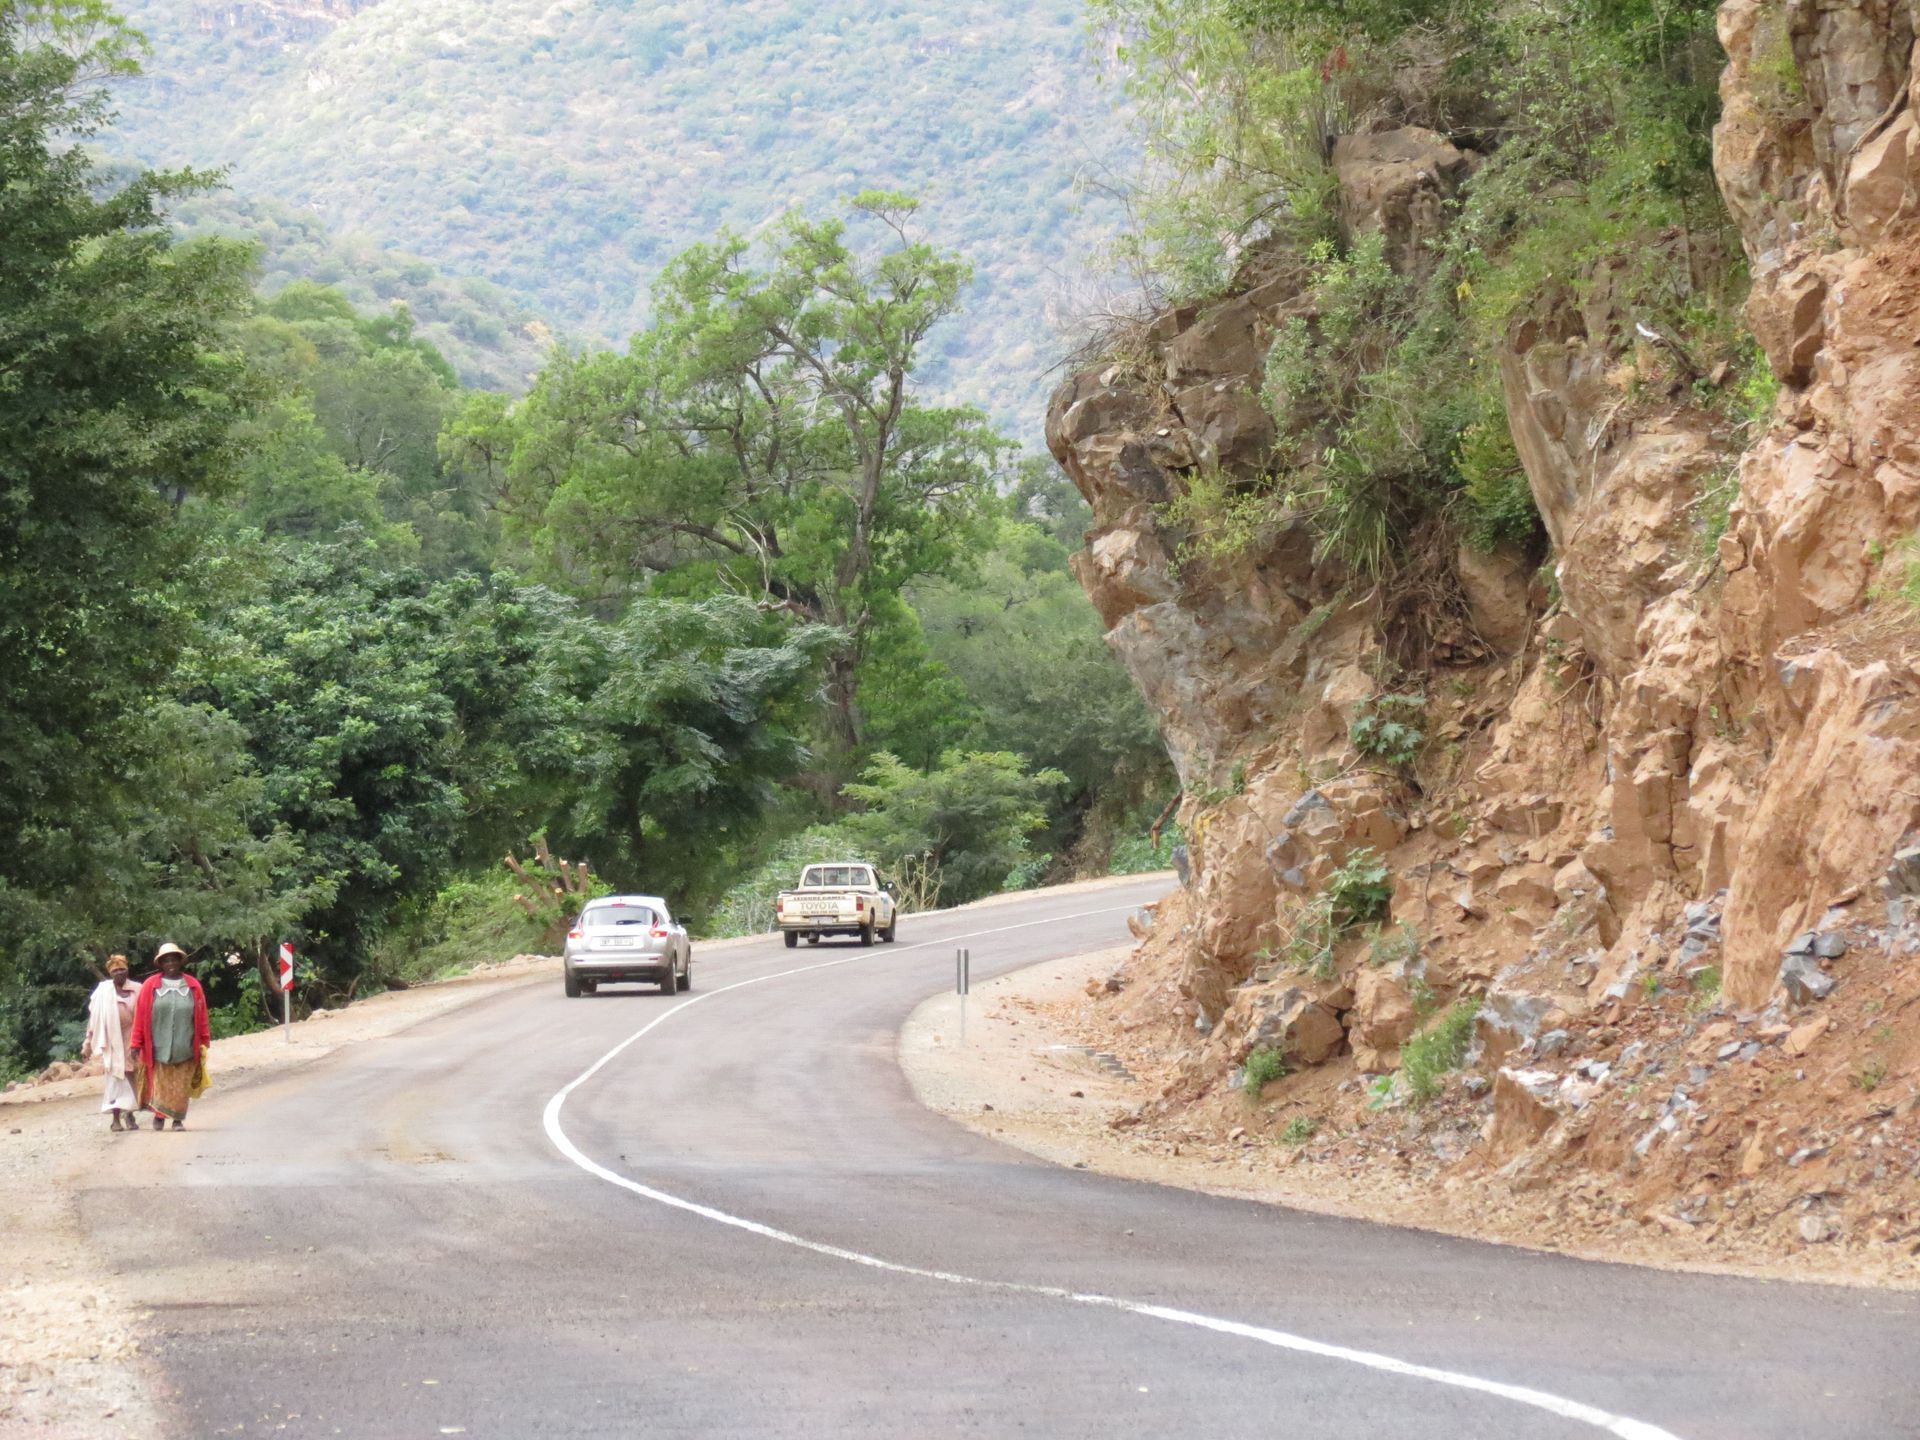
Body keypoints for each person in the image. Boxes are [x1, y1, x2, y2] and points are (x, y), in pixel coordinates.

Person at [128, 943, 210, 1131]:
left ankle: (177, 1120)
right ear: (161, 963)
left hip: (185, 1045)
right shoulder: (151, 985)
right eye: (166, 960)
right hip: (158, 1046)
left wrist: (204, 1039)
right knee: (161, 1084)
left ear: (180, 961)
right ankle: (159, 1116)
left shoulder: (193, 985)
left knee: (180, 1086)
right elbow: (140, 1015)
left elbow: (201, 1013)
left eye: (174, 959)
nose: (171, 963)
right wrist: (136, 1042)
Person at [80, 954, 142, 1132]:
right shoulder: (103, 992)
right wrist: (88, 1041)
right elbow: (95, 1019)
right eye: (115, 971)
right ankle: (115, 1118)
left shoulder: (138, 989)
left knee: (133, 1077)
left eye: (122, 969)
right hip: (112, 1041)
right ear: (110, 973)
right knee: (115, 1079)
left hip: (134, 1039)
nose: (119, 973)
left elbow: (147, 1013)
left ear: (128, 969)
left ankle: (130, 1114)